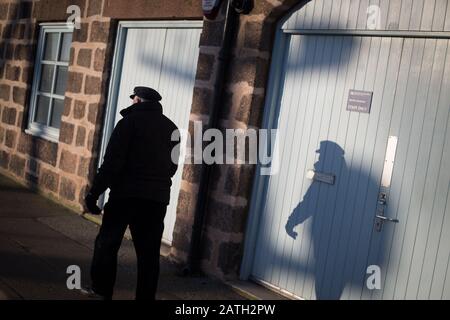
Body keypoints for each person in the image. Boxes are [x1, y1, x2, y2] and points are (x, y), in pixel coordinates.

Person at [82, 86, 179, 300]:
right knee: (149, 254)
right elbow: (172, 168)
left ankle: (101, 290)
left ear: (137, 100)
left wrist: (93, 194)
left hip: (125, 196)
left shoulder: (127, 123)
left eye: (133, 98)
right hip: (156, 200)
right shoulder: (172, 128)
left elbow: (111, 164)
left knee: (107, 244)